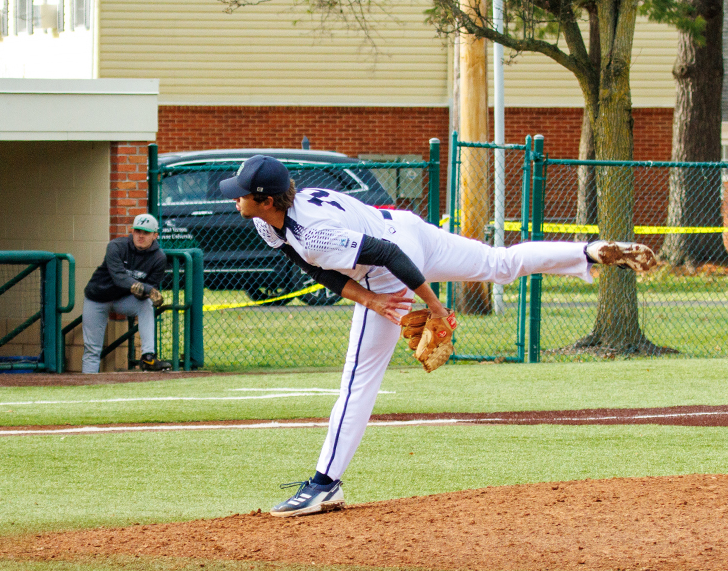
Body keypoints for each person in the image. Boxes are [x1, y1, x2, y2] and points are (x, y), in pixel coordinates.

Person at [219, 154, 659, 517]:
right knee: (498, 263)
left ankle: (323, 484)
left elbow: (383, 256)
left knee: (358, 383)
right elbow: (313, 268)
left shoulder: (310, 232)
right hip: (403, 227)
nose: (234, 197)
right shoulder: (274, 218)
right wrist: (369, 302)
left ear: (265, 199)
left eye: (241, 192)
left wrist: (432, 305)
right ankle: (589, 251)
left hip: (391, 262)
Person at [82, 213, 169, 373]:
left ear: (155, 235)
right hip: (97, 297)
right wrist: (148, 290)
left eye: (146, 233)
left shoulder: (159, 258)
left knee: (146, 304)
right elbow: (119, 277)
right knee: (92, 350)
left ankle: (148, 357)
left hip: (123, 299)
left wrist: (149, 293)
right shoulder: (117, 246)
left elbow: (147, 289)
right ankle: (88, 387)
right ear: (132, 232)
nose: (140, 236)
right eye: (137, 231)